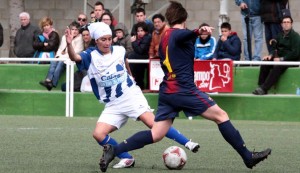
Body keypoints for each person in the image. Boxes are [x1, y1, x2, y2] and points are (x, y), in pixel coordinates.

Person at [99, 1, 271, 172]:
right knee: (221, 115)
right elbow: (184, 36)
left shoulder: (165, 36)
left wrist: (194, 34)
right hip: (183, 89)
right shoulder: (177, 34)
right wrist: (198, 31)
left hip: (168, 91)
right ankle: (247, 157)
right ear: (184, 18)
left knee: (156, 134)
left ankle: (115, 150)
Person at [65, 22, 200, 169]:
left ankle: (187, 142)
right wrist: (69, 44)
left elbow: (124, 61)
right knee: (98, 134)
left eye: (109, 39)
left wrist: (131, 75)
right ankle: (127, 158)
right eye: (103, 39)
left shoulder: (119, 50)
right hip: (112, 104)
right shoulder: (90, 55)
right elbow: (74, 58)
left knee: (153, 123)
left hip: (130, 95)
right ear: (96, 40)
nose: (107, 42)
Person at [252, 16, 300, 95]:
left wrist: (281, 59)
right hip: (279, 59)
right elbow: (274, 47)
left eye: (288, 22)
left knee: (277, 67)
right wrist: (270, 55)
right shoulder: (279, 35)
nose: (286, 24)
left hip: (291, 60)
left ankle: (264, 89)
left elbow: (296, 53)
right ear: (281, 24)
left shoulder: (295, 36)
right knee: (265, 62)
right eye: (284, 22)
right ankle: (260, 86)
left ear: (291, 24)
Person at [39, 21, 83, 91]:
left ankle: (53, 83)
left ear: (78, 31)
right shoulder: (64, 37)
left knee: (60, 63)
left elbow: (76, 51)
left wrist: (62, 57)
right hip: (62, 57)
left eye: (76, 29)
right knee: (54, 61)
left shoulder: (80, 38)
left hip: (71, 59)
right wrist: (58, 56)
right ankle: (48, 80)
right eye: (72, 29)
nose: (74, 31)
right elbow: (60, 49)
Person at [128, 22, 152, 90]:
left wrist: (133, 42)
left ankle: (132, 78)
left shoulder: (147, 37)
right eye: (138, 31)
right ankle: (136, 82)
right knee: (130, 55)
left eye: (141, 30)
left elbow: (140, 50)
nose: (140, 32)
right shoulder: (139, 38)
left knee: (132, 56)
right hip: (141, 57)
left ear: (145, 31)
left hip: (146, 57)